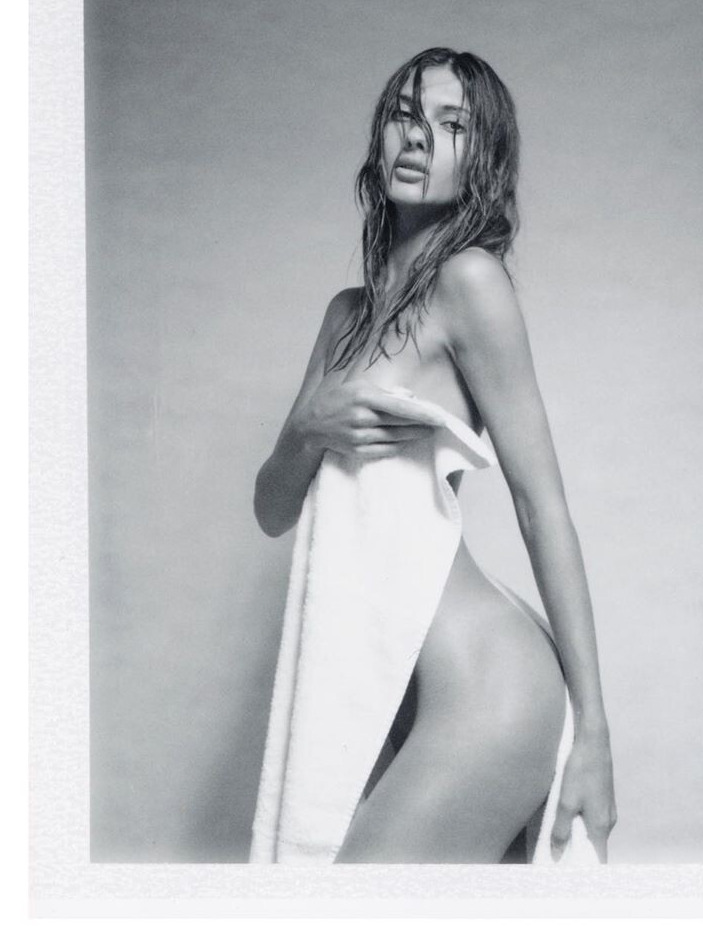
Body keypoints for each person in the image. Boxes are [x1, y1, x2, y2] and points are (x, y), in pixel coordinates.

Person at [252, 47, 616, 863]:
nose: (418, 137)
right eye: (403, 115)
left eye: (452, 125)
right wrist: (309, 424)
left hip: (488, 685)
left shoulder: (471, 282)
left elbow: (541, 505)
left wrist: (594, 731)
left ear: (482, 159)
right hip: (398, 693)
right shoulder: (343, 317)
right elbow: (273, 509)